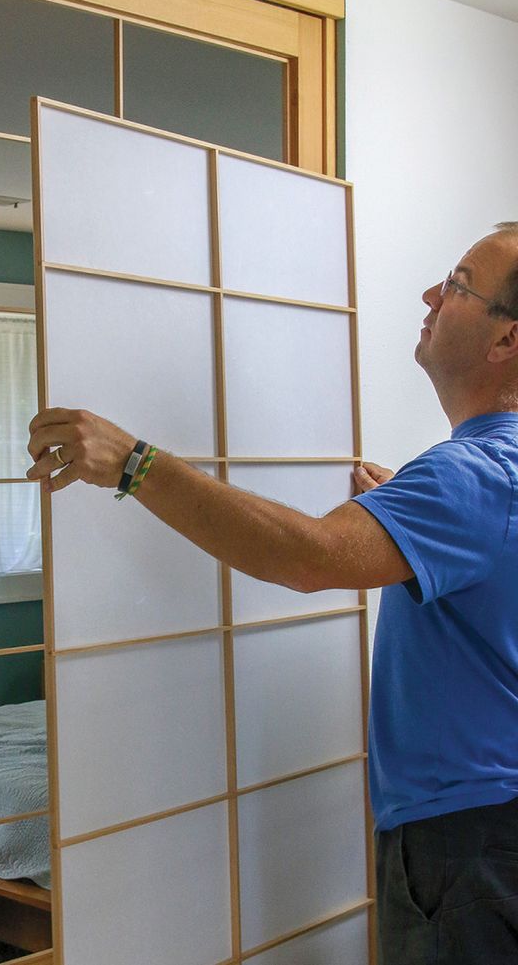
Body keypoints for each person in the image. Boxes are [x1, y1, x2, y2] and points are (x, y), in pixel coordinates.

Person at [27, 222, 518, 964]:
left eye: (456, 285)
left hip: (468, 838)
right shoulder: (483, 485)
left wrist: (134, 462)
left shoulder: (473, 479)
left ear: (506, 340)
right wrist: (403, 528)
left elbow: (306, 557)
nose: (430, 294)